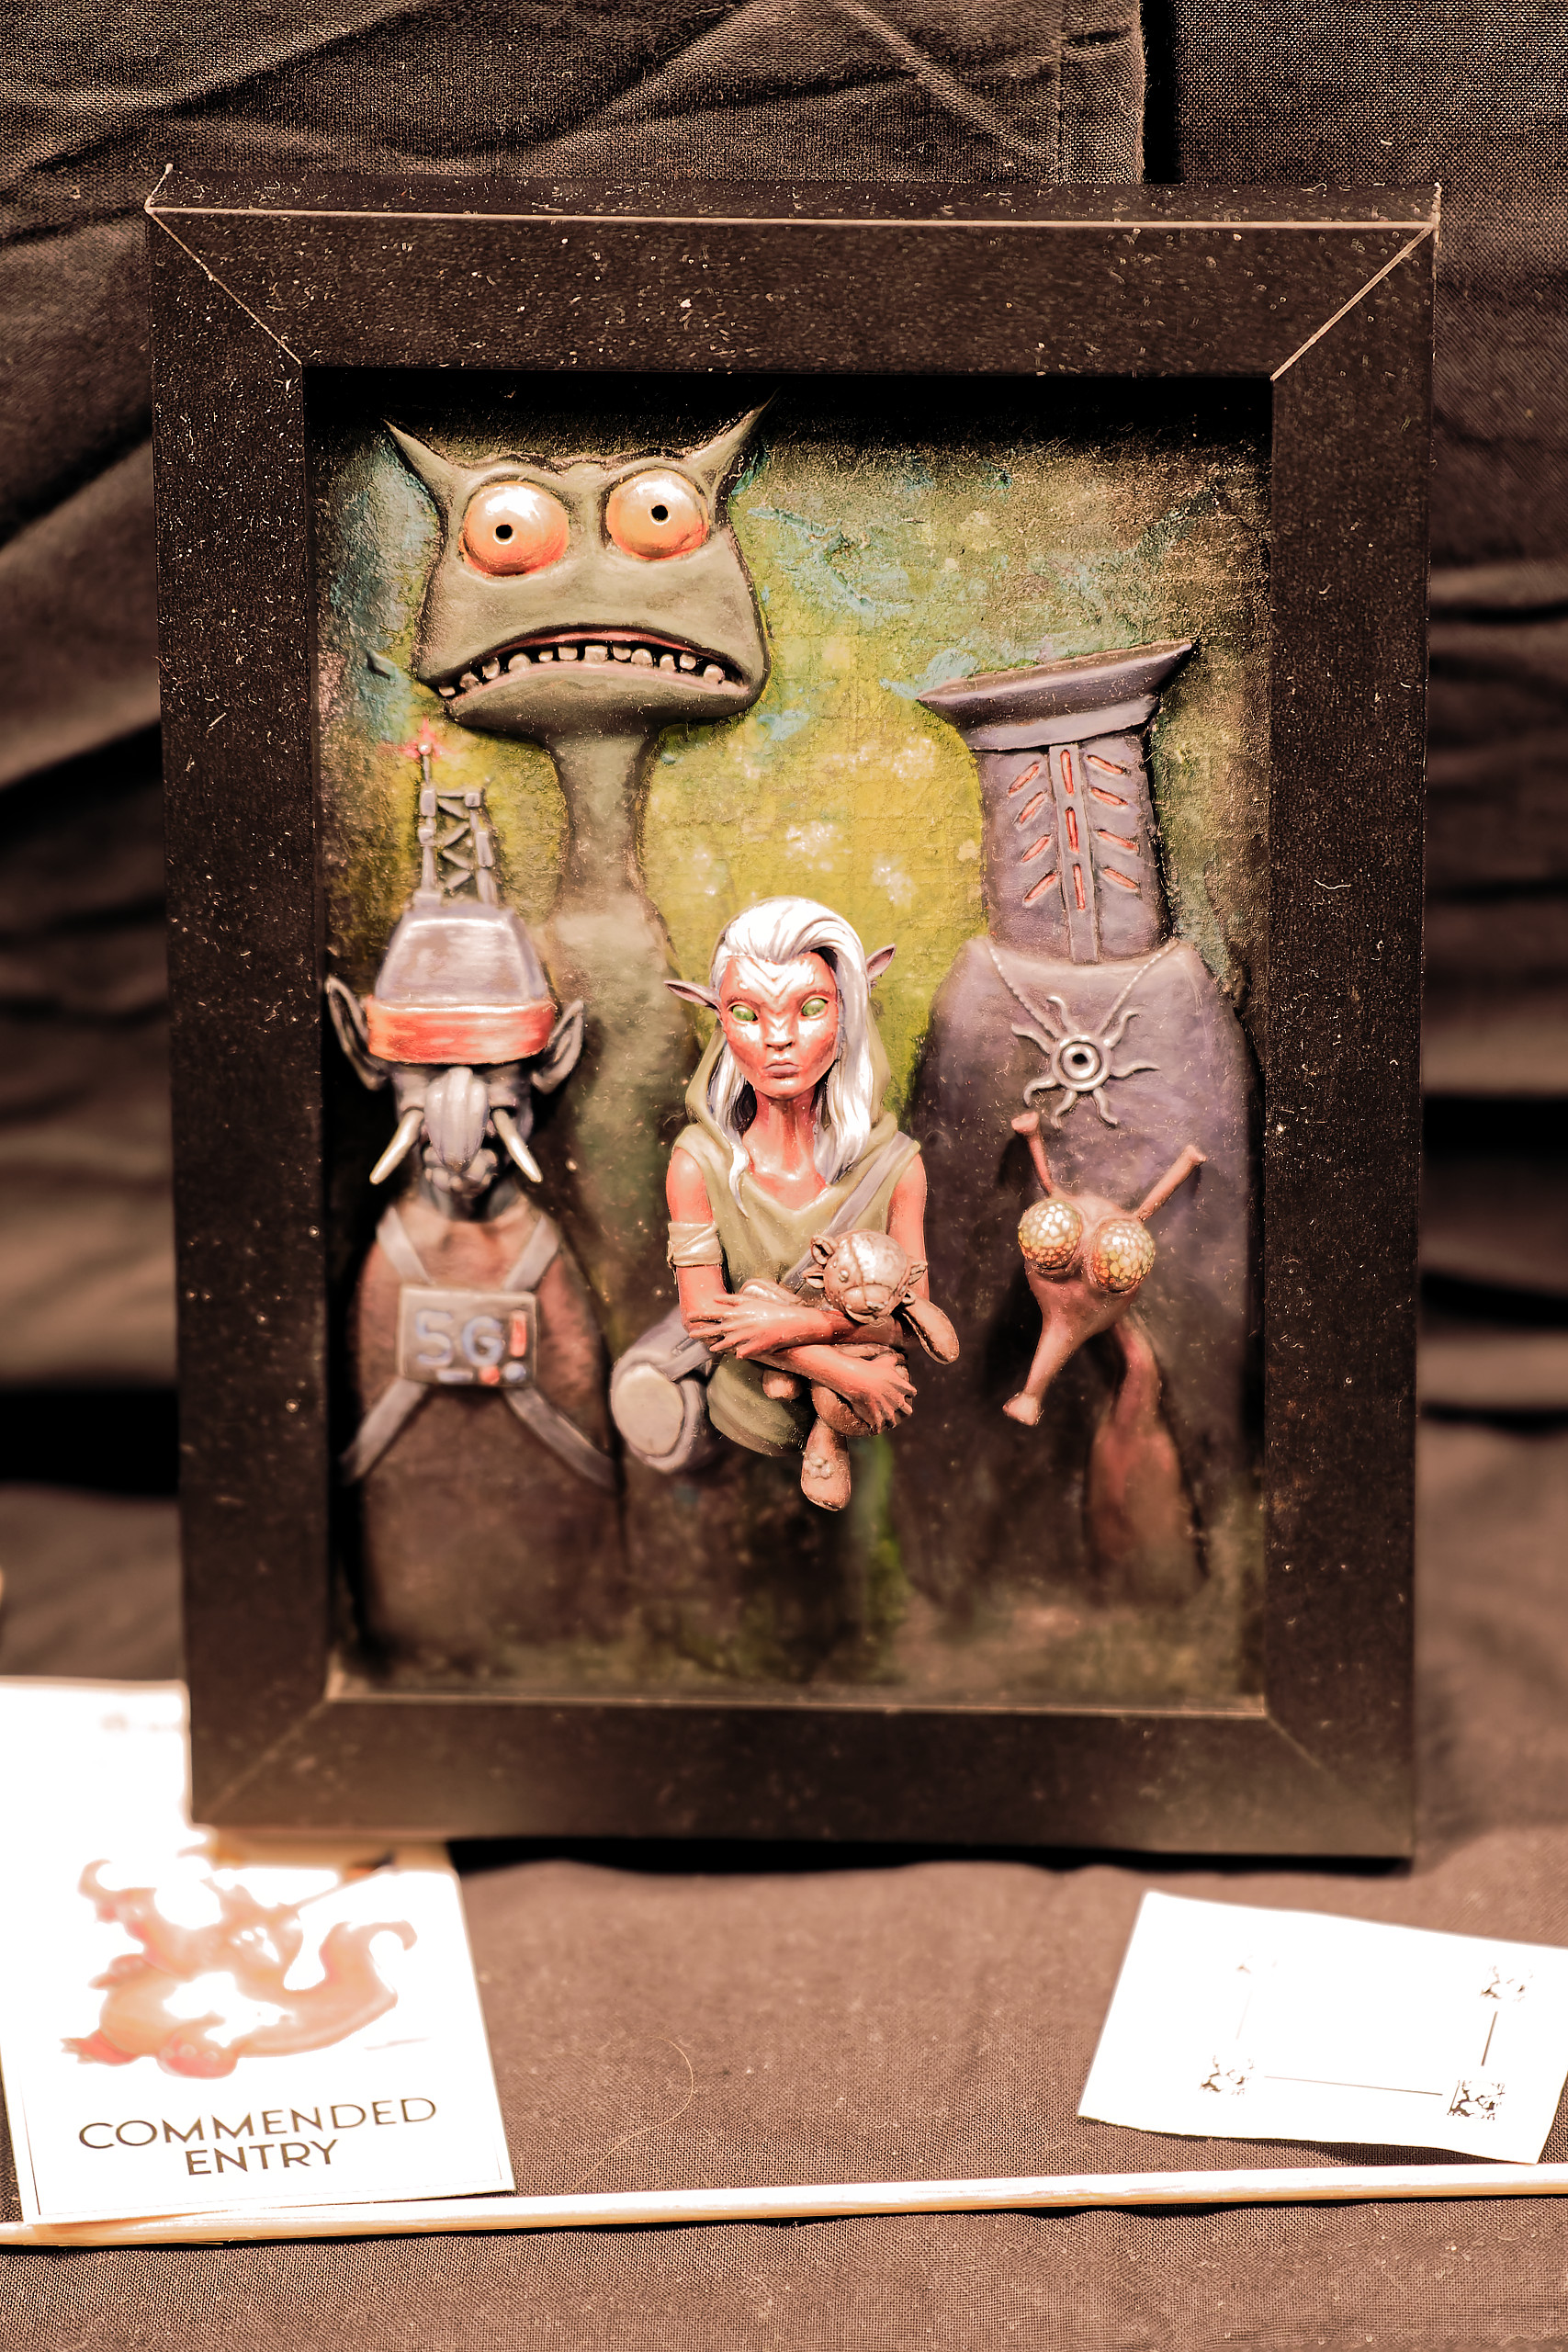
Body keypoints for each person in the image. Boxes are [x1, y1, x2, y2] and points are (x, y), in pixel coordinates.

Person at [665, 897, 930, 1511]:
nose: (778, 1038)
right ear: (720, 1022)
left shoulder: (896, 1167)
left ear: (846, 1014)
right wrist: (842, 1370)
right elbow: (703, 1316)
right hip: (740, 1427)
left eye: (809, 1008)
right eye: (746, 1012)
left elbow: (916, 1319)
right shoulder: (697, 1164)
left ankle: (828, 1437)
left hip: (866, 1429)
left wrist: (798, 1325)